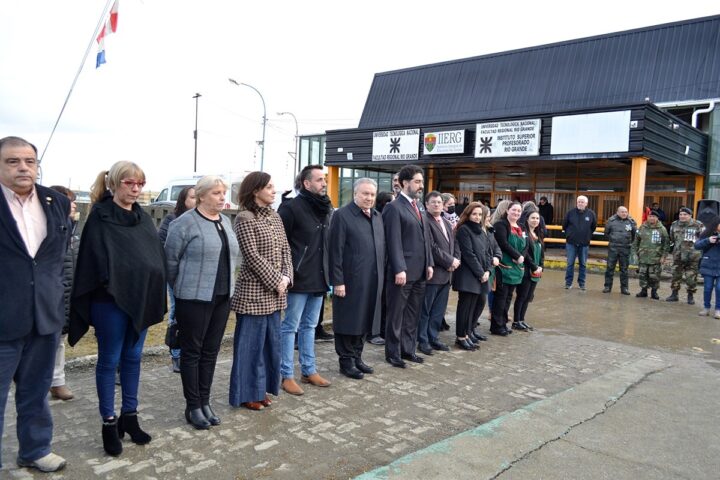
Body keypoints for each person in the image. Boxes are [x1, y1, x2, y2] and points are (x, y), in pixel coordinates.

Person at [70, 161, 166, 457]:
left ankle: (130, 415)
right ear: (114, 184)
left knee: (134, 358)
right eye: (129, 183)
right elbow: (93, 261)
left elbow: (153, 257)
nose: (135, 189)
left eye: (139, 183)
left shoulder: (143, 218)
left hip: (140, 299)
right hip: (108, 301)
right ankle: (109, 422)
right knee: (109, 360)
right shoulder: (100, 216)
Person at [0, 136, 70, 472]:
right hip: (3, 318)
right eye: (13, 161)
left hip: (45, 317)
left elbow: (56, 258)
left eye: (29, 161)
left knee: (36, 391)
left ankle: (35, 449)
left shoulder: (54, 201)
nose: (23, 167)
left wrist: (57, 300)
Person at [164, 176, 239, 429]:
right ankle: (193, 405)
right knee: (192, 351)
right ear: (202, 195)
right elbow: (170, 261)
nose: (222, 197)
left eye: (223, 193)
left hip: (221, 296)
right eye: (216, 193)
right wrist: (180, 288)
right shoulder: (184, 223)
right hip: (193, 297)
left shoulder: (225, 222)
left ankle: (205, 401)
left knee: (211, 351)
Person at [228, 172, 292, 411]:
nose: (273, 191)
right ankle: (246, 394)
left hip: (276, 294)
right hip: (254, 294)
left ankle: (261, 390)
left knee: (269, 346)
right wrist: (276, 279)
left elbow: (286, 250)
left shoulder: (275, 217)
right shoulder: (245, 218)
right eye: (269, 187)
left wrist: (286, 277)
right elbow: (252, 256)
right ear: (255, 191)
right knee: (250, 348)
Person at [277, 165, 332, 395]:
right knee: (290, 327)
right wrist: (287, 272)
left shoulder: (326, 207)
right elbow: (280, 243)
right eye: (319, 179)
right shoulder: (291, 208)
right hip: (298, 277)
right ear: (306, 183)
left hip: (320, 276)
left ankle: (309, 370)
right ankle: (285, 374)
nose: (324, 183)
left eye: (325, 179)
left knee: (310, 326)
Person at [329, 178, 385, 379]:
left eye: (372, 194)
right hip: (350, 281)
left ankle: (357, 358)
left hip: (372, 280)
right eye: (365, 193)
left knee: (365, 320)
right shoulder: (342, 216)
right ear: (355, 194)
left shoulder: (378, 217)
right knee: (348, 321)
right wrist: (338, 281)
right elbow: (335, 251)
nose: (369, 198)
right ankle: (346, 361)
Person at [382, 164, 434, 368]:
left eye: (421, 182)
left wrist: (429, 262)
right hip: (402, 272)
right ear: (405, 183)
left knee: (413, 313)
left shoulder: (419, 206)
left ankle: (408, 349)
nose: (421, 186)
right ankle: (393, 353)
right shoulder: (393, 208)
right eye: (417, 182)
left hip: (420, 270)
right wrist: (398, 268)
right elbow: (393, 241)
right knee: (396, 314)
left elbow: (426, 238)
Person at [158, 186, 196, 373]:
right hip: (177, 277)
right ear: (183, 200)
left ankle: (190, 352)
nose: (196, 201)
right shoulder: (172, 220)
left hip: (197, 279)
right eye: (192, 197)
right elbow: (164, 247)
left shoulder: (204, 220)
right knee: (177, 312)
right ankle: (176, 353)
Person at [47, 185, 80, 401]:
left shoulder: (71, 231)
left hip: (66, 295)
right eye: (70, 200)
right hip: (50, 296)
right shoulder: (49, 229)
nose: (75, 204)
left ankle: (57, 382)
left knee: (59, 341)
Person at [418, 191, 460, 354]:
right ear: (426, 205)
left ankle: (434, 338)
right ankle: (423, 340)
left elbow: (454, 244)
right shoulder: (424, 222)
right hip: (434, 273)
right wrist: (449, 261)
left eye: (439, 202)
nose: (437, 205)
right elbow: (431, 247)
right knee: (426, 310)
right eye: (433, 202)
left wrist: (455, 261)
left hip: (447, 274)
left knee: (439, 310)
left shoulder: (446, 222)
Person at [452, 202, 493, 350]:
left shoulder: (482, 231)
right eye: (474, 214)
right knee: (465, 307)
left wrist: (488, 270)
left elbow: (488, 253)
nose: (477, 217)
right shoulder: (464, 230)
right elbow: (469, 255)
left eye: (480, 214)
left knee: (472, 308)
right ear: (468, 214)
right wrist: (481, 273)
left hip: (480, 274)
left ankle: (467, 334)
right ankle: (461, 337)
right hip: (468, 275)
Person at [491, 202, 528, 336]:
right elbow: (503, 243)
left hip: (516, 267)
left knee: (508, 297)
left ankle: (504, 322)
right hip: (503, 266)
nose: (516, 213)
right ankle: (496, 326)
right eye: (514, 210)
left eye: (519, 211)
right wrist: (516, 255)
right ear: (507, 210)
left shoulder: (522, 227)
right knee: (501, 297)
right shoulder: (500, 225)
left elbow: (526, 244)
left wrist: (521, 257)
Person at [367, 191, 395, 346]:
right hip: (375, 267)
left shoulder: (381, 217)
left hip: (385, 266)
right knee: (376, 301)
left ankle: (381, 330)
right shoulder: (377, 217)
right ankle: (372, 333)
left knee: (384, 302)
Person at [513, 211, 544, 331]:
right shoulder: (524, 234)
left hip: (536, 271)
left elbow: (541, 254)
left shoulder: (538, 234)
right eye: (533, 218)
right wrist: (534, 266)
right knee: (522, 296)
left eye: (537, 218)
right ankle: (516, 321)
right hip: (527, 270)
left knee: (528, 297)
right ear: (527, 219)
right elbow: (525, 253)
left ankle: (522, 319)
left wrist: (541, 266)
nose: (535, 220)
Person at [666, 207, 704, 304]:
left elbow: (703, 239)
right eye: (681, 214)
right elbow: (672, 238)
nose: (682, 216)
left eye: (685, 215)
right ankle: (674, 294)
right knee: (676, 275)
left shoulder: (698, 225)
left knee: (691, 277)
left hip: (693, 256)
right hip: (678, 255)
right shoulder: (674, 224)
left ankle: (690, 295)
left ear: (690, 215)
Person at [632, 210, 669, 299]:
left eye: (654, 217)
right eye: (650, 216)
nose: (652, 218)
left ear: (657, 218)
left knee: (654, 276)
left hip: (655, 257)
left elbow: (666, 244)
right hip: (643, 256)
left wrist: (663, 256)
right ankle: (643, 291)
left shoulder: (662, 229)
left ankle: (654, 292)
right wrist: (635, 253)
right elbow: (636, 241)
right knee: (642, 274)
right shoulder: (642, 227)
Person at [562, 195, 597, 290]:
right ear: (576, 202)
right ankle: (568, 283)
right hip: (571, 243)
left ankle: (582, 283)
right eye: (579, 201)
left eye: (582, 202)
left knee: (583, 264)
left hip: (584, 244)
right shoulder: (570, 213)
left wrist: (586, 236)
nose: (580, 203)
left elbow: (593, 227)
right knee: (570, 264)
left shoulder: (591, 214)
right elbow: (564, 226)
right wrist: (570, 235)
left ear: (586, 203)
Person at [603, 206, 636, 295]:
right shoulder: (611, 221)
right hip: (613, 248)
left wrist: (628, 243)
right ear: (617, 212)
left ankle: (624, 288)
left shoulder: (631, 221)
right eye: (622, 212)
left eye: (626, 212)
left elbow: (634, 235)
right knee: (610, 268)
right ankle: (607, 286)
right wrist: (613, 240)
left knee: (624, 269)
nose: (624, 213)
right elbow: (606, 233)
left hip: (625, 248)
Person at [694, 217, 720, 318]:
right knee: (707, 288)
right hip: (708, 265)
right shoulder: (707, 234)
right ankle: (706, 308)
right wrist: (708, 240)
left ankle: (718, 309)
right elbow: (697, 246)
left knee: (719, 288)